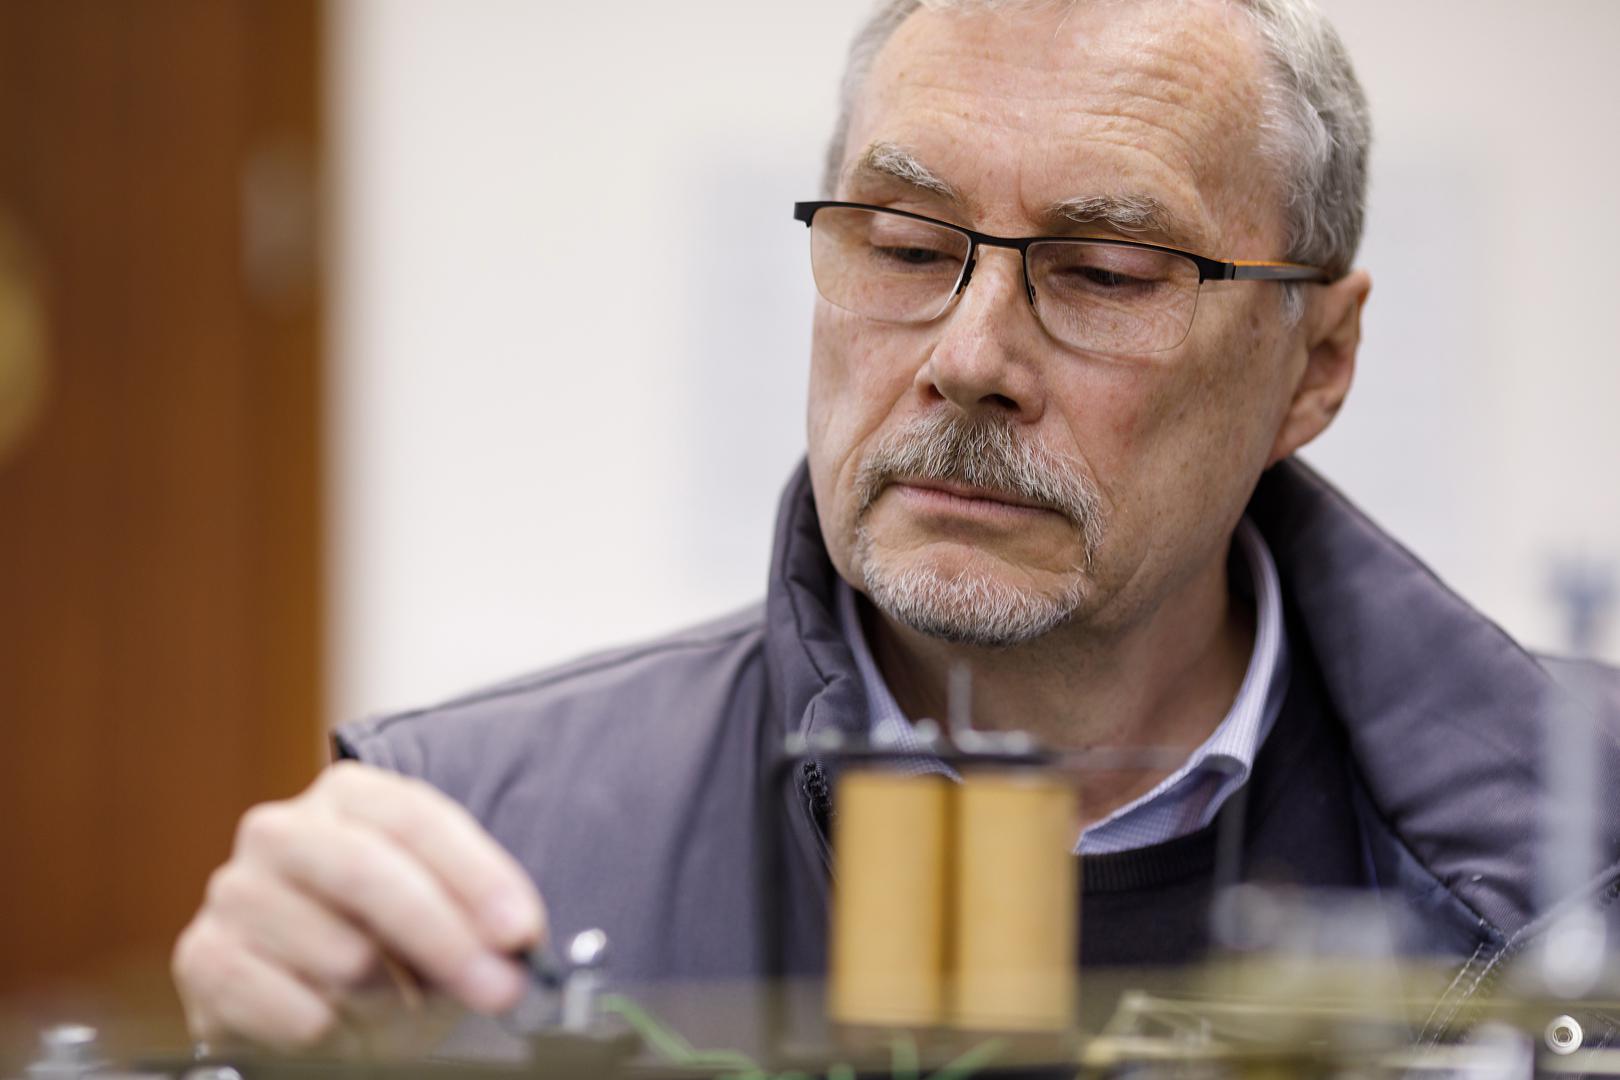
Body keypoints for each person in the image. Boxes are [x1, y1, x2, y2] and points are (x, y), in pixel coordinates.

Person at [172, 0, 1620, 1053]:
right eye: (906, 248)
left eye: (1107, 273)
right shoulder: (470, 846)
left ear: (1317, 364)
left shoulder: (1592, 836)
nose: (970, 353)